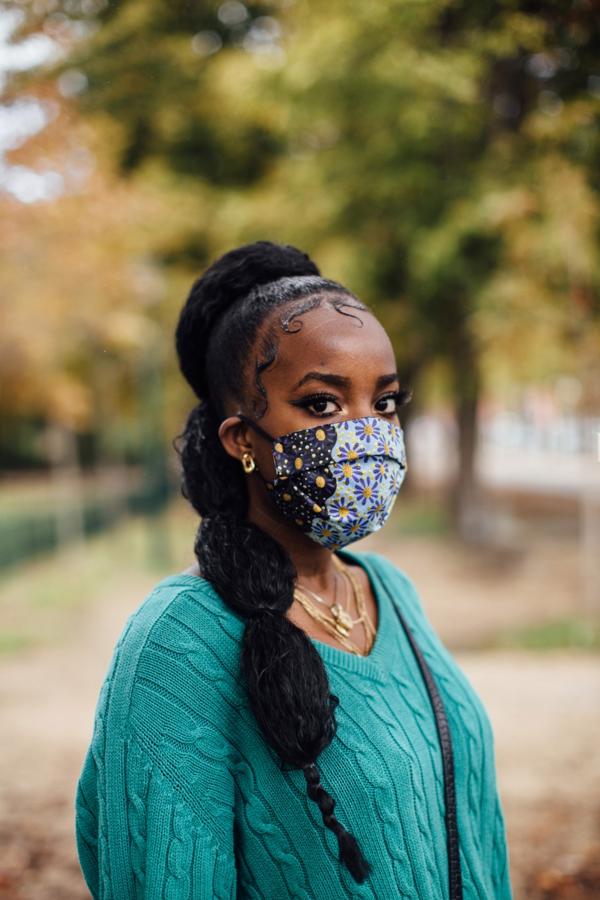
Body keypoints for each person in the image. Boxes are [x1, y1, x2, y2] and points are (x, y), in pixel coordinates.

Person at [74, 240, 513, 899]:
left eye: (385, 401)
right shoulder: (180, 642)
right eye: (321, 405)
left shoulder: (390, 592)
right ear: (241, 439)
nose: (368, 432)